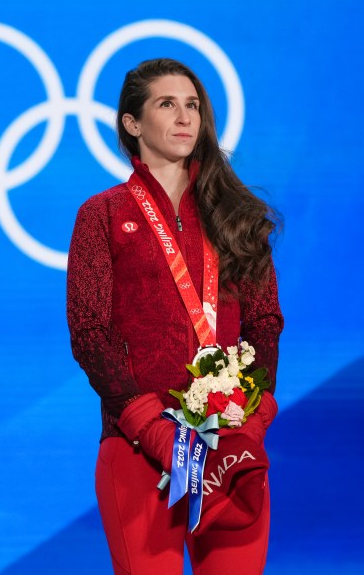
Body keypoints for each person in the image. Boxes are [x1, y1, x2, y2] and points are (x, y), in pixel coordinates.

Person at [66, 58, 284, 574]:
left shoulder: (238, 215)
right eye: (167, 104)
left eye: (192, 106)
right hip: (140, 450)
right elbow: (90, 333)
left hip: (227, 450)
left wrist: (254, 419)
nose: (185, 117)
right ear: (132, 124)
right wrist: (150, 426)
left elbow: (265, 323)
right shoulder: (102, 215)